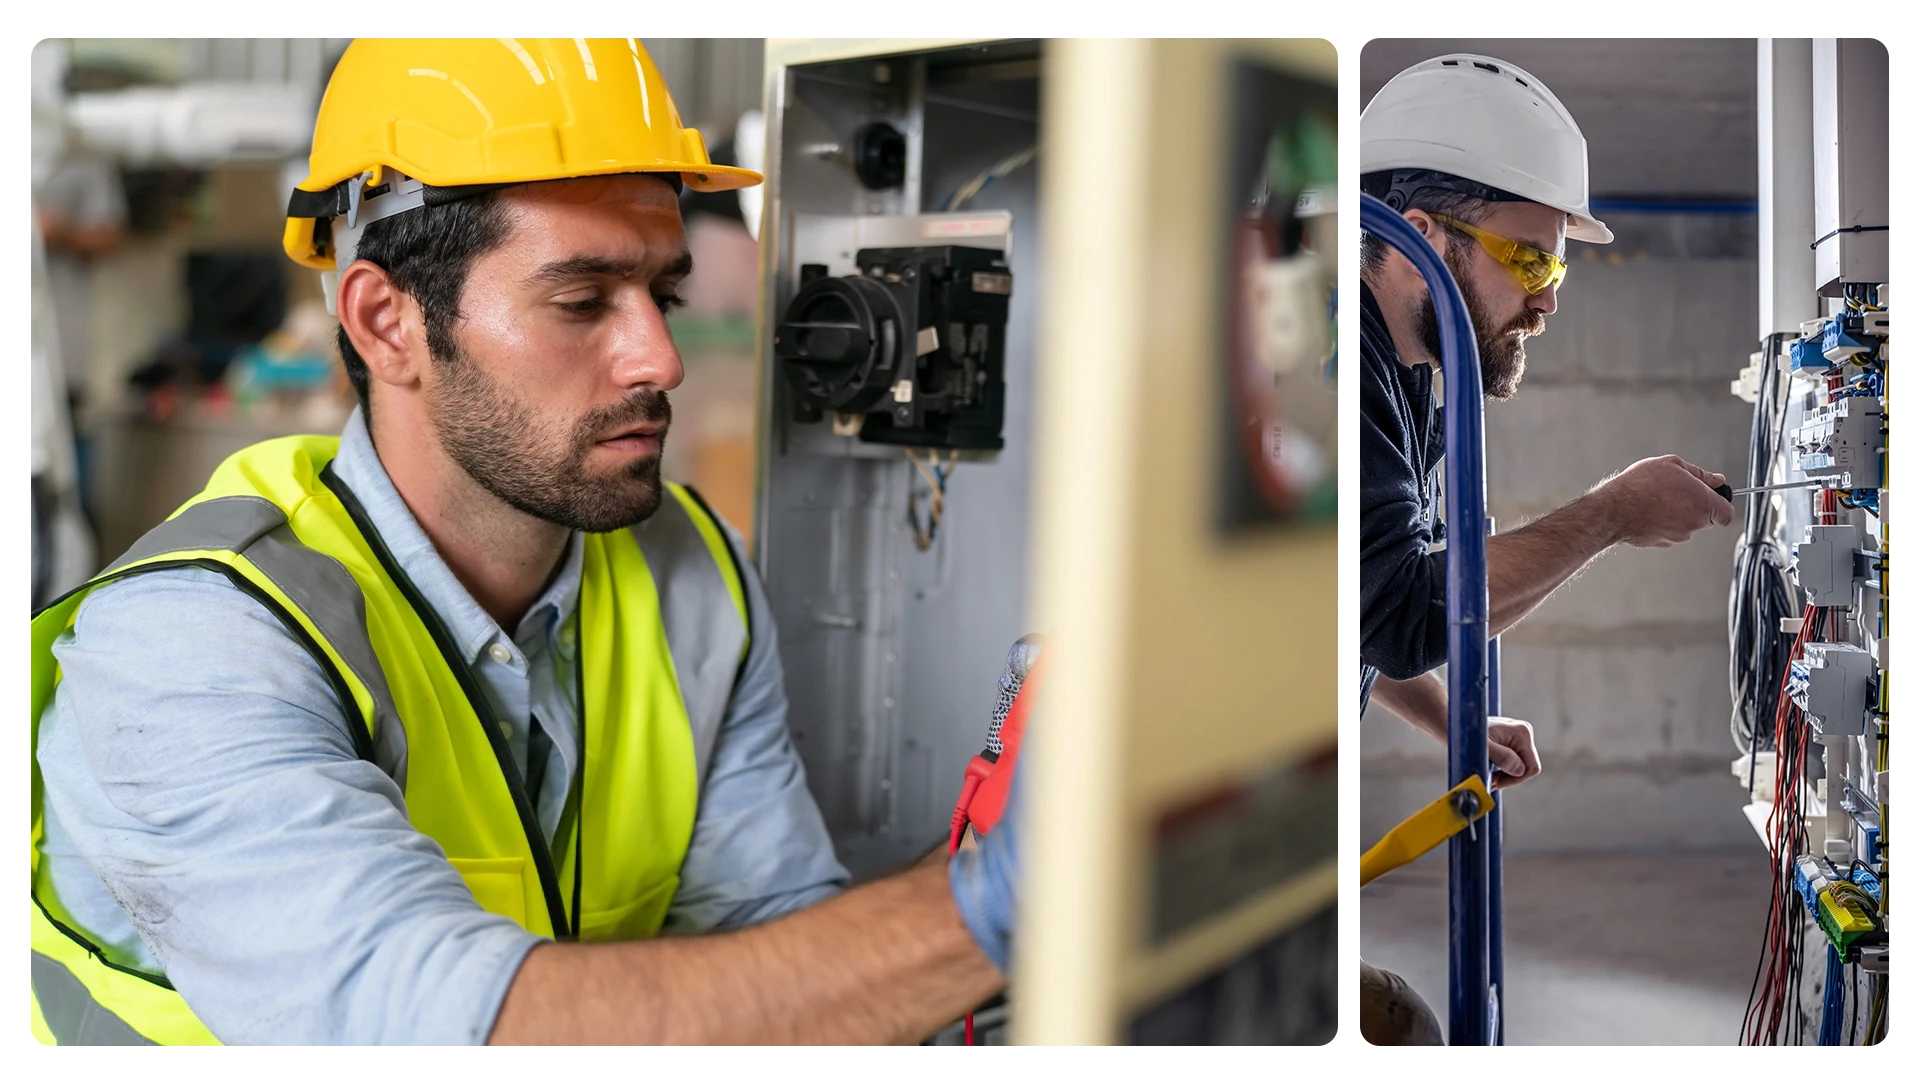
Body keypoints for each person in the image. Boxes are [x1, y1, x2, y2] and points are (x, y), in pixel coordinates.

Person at [27, 37, 1018, 1047]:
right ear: (387, 324)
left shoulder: (692, 580)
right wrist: (992, 904)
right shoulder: (189, 647)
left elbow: (780, 955)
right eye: (582, 302)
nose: (662, 358)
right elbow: (441, 1033)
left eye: (662, 295)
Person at [1355, 53, 1734, 1046]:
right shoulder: (1332, 363)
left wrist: (1451, 722)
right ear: (1421, 237)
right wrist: (1608, 514)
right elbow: (1399, 614)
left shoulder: (1408, 375)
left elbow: (1358, 604)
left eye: (1557, 265)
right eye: (1529, 259)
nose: (1550, 298)